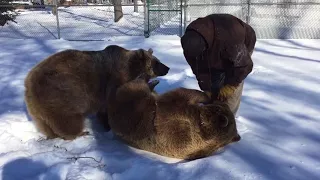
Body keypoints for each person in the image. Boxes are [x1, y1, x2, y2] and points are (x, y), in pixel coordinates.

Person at [180, 13, 256, 116]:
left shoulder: (231, 39)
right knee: (213, 84)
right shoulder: (190, 42)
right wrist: (207, 89)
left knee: (231, 91)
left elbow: (243, 67)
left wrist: (230, 87)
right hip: (216, 47)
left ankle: (227, 119)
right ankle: (212, 109)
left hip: (241, 45)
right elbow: (199, 68)